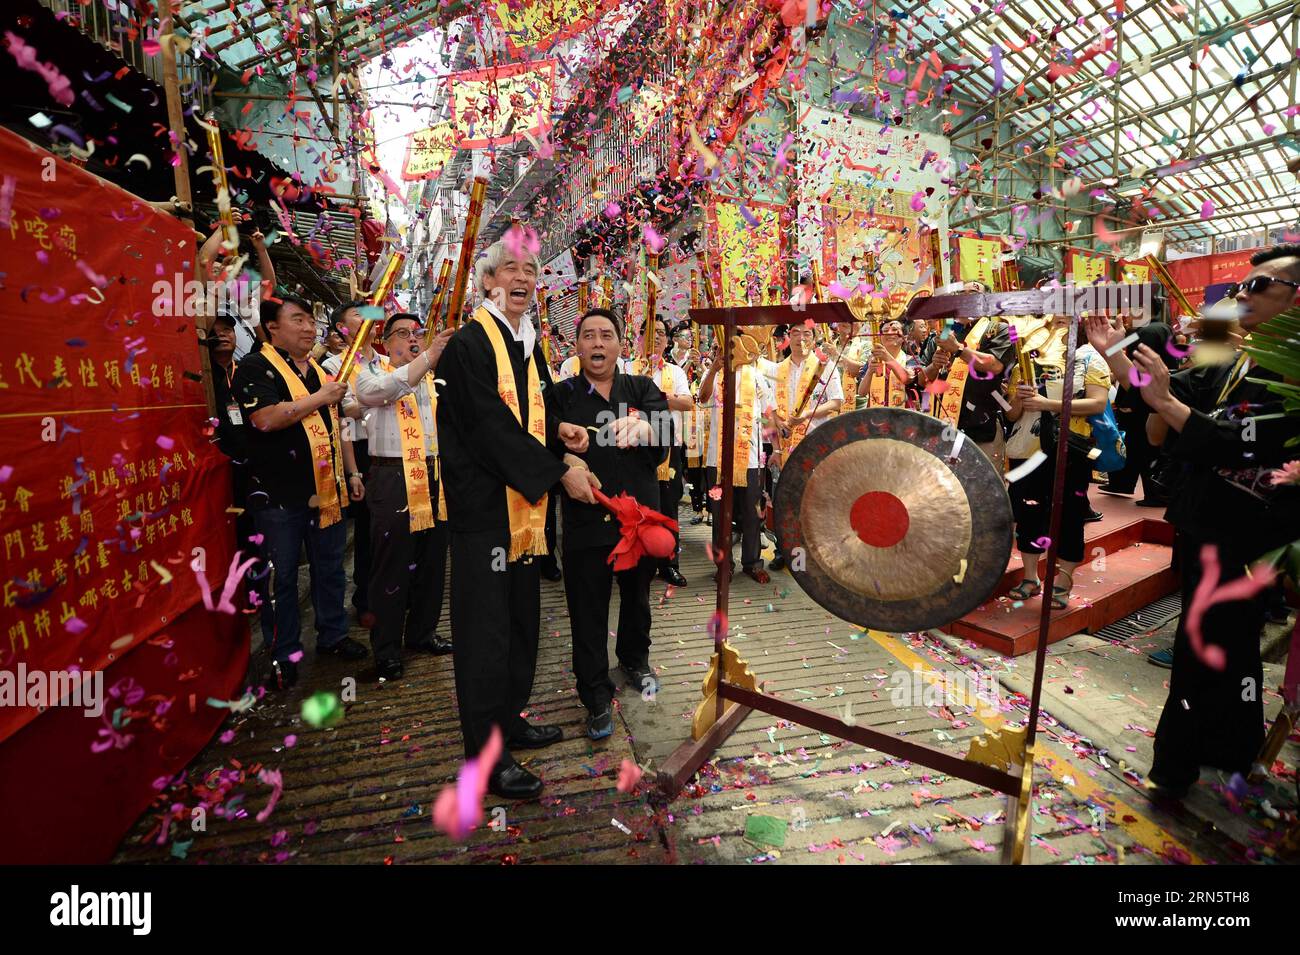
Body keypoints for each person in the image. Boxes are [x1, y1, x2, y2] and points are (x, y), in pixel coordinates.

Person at [1088, 244, 1300, 797]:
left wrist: (1171, 405)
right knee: (1230, 648)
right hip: (1212, 523)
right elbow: (1171, 395)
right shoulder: (1234, 355)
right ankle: (1231, 748)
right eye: (1243, 284)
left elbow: (1246, 443)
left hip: (1249, 533)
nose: (1241, 294)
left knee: (1201, 647)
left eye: (1259, 285)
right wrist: (1115, 357)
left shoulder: (1294, 372)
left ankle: (1175, 768)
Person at [436, 238, 597, 800]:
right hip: (486, 513)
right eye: (511, 267)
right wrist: (558, 472)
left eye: (531, 269)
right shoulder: (468, 345)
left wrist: (561, 432)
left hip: (524, 513)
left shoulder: (526, 342)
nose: (523, 276)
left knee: (522, 624)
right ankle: (485, 755)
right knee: (485, 634)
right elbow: (488, 428)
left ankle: (509, 720)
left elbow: (535, 408)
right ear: (486, 281)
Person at [231, 296, 370, 690]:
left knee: (330, 568)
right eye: (298, 320)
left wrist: (353, 471)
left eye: (311, 320)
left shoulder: (321, 373)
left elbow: (338, 425)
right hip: (278, 495)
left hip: (326, 489)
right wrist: (320, 400)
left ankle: (333, 634)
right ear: (272, 327)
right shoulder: (256, 367)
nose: (309, 328)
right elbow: (265, 419)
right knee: (282, 577)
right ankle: (283, 652)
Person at [554, 308, 671, 738]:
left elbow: (666, 439)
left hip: (639, 523)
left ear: (621, 344)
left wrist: (645, 426)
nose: (598, 343)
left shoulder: (641, 389)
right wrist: (564, 456)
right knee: (587, 609)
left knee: (637, 598)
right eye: (589, 336)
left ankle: (635, 660)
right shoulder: (561, 395)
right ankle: (595, 694)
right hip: (587, 523)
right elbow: (540, 441)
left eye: (606, 335)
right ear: (578, 346)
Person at [354, 314, 456, 681]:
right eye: (402, 333)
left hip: (434, 475)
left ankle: (422, 632)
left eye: (417, 333)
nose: (412, 339)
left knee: (432, 562)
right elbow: (374, 394)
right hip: (392, 475)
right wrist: (425, 358)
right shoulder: (369, 370)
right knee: (391, 566)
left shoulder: (435, 378)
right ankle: (386, 649)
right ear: (384, 341)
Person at [1004, 316, 1112, 608]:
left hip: (1071, 450)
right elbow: (1013, 415)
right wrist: (1019, 399)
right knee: (1027, 513)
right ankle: (1030, 577)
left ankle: (1063, 581)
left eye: (1067, 314)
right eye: (1054, 314)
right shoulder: (1027, 356)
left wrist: (1048, 404)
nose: (1059, 321)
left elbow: (1097, 403)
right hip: (1027, 451)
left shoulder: (1089, 357)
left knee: (1069, 514)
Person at [697, 339, 777, 584]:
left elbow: (769, 414)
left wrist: (776, 448)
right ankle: (724, 565)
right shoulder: (715, 372)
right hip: (717, 459)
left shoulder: (757, 376)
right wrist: (713, 368)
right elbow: (702, 397)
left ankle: (752, 563)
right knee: (721, 514)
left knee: (753, 514)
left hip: (751, 460)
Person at [321, 301, 376, 629]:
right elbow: (346, 414)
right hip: (359, 450)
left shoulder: (386, 361)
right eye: (358, 315)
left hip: (395, 449)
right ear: (342, 328)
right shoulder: (332, 365)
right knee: (368, 531)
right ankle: (366, 599)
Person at [632, 318, 694, 587]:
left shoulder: (675, 372)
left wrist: (655, 395)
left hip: (668, 450)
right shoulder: (628, 368)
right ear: (640, 336)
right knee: (637, 507)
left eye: (661, 333)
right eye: (651, 332)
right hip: (634, 452)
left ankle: (669, 564)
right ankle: (636, 563)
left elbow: (687, 403)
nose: (656, 337)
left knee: (668, 508)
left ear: (668, 340)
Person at [914, 313, 1017, 471]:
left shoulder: (1000, 329)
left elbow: (995, 365)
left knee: (982, 486)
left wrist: (957, 349)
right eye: (962, 293)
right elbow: (922, 380)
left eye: (973, 294)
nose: (966, 298)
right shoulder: (945, 331)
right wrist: (934, 366)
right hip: (943, 427)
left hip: (982, 426)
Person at [198, 210, 277, 363]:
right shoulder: (204, 300)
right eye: (216, 271)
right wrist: (223, 228)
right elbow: (203, 260)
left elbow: (269, 285)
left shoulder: (244, 300)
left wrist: (261, 249)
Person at [861, 319, 912, 409]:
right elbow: (862, 392)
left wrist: (888, 358)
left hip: (903, 417)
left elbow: (907, 378)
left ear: (905, 337)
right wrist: (869, 371)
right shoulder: (873, 360)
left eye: (894, 329)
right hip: (875, 415)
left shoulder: (910, 360)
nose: (889, 333)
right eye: (885, 330)